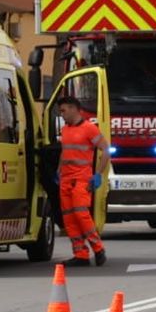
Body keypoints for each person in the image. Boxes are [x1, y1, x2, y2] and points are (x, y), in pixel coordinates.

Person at [55, 94, 109, 267]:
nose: (62, 114)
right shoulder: (65, 130)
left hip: (81, 178)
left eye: (63, 110)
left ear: (73, 108)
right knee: (69, 218)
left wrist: (98, 174)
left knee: (81, 215)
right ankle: (80, 254)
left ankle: (98, 248)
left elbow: (106, 150)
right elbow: (65, 152)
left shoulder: (89, 129)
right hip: (66, 178)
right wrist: (59, 170)